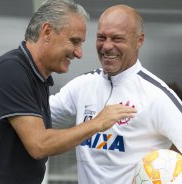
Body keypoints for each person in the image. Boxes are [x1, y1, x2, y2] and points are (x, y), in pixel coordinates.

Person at [0, 1, 137, 184]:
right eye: (74, 41)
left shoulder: (35, 77)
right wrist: (97, 123)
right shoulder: (10, 71)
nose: (79, 53)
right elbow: (39, 144)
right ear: (47, 32)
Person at [50, 4, 182, 184]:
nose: (107, 46)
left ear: (139, 40)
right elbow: (36, 120)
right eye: (101, 37)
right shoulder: (82, 86)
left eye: (117, 38)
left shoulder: (156, 95)